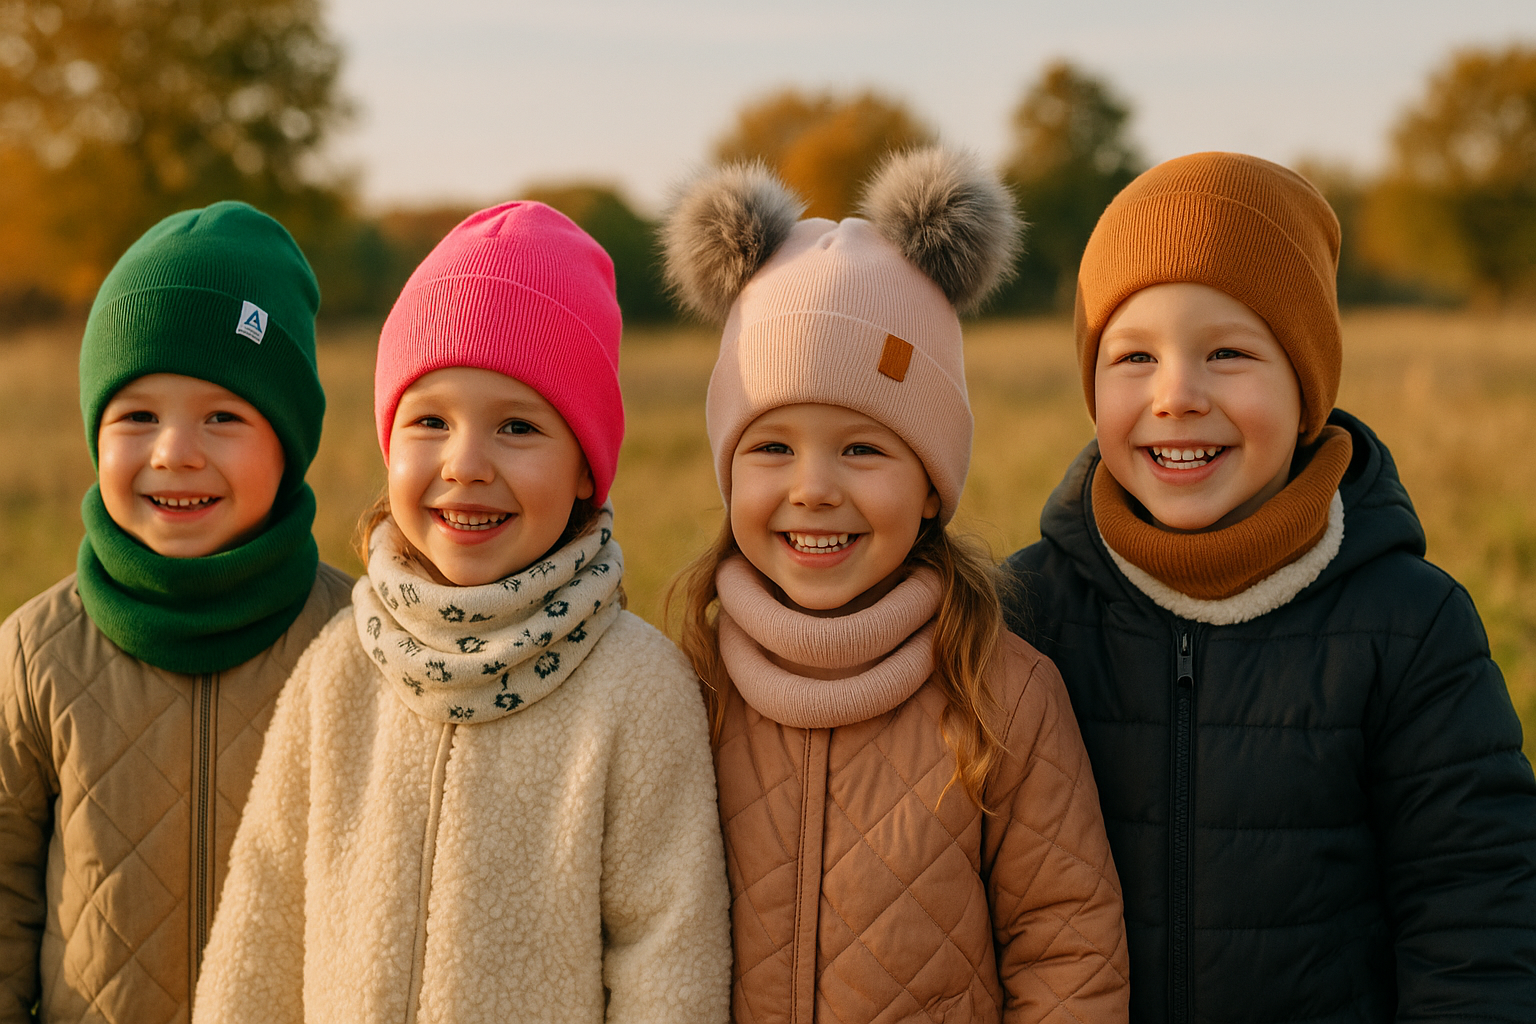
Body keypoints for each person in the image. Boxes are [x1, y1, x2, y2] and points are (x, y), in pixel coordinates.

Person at [1002, 151, 1536, 1023]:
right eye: (1133, 356)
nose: (1177, 395)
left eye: (1228, 352)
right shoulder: (1025, 615)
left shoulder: (1410, 626)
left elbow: (1476, 910)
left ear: (1306, 385)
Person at [192, 202, 732, 1024]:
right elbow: (259, 936)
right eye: (430, 421)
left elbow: (670, 963)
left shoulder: (638, 690)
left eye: (517, 426)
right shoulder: (338, 669)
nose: (466, 463)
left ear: (586, 469)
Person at [663, 149, 1129, 1024]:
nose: (813, 488)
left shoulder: (1003, 694)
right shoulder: (688, 686)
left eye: (863, 448)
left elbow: (1067, 948)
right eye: (772, 447)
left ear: (931, 488)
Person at [0, 202, 353, 1024]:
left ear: (289, 441)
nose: (175, 452)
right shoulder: (34, 654)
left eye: (223, 416)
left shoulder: (359, 645)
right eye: (138, 416)